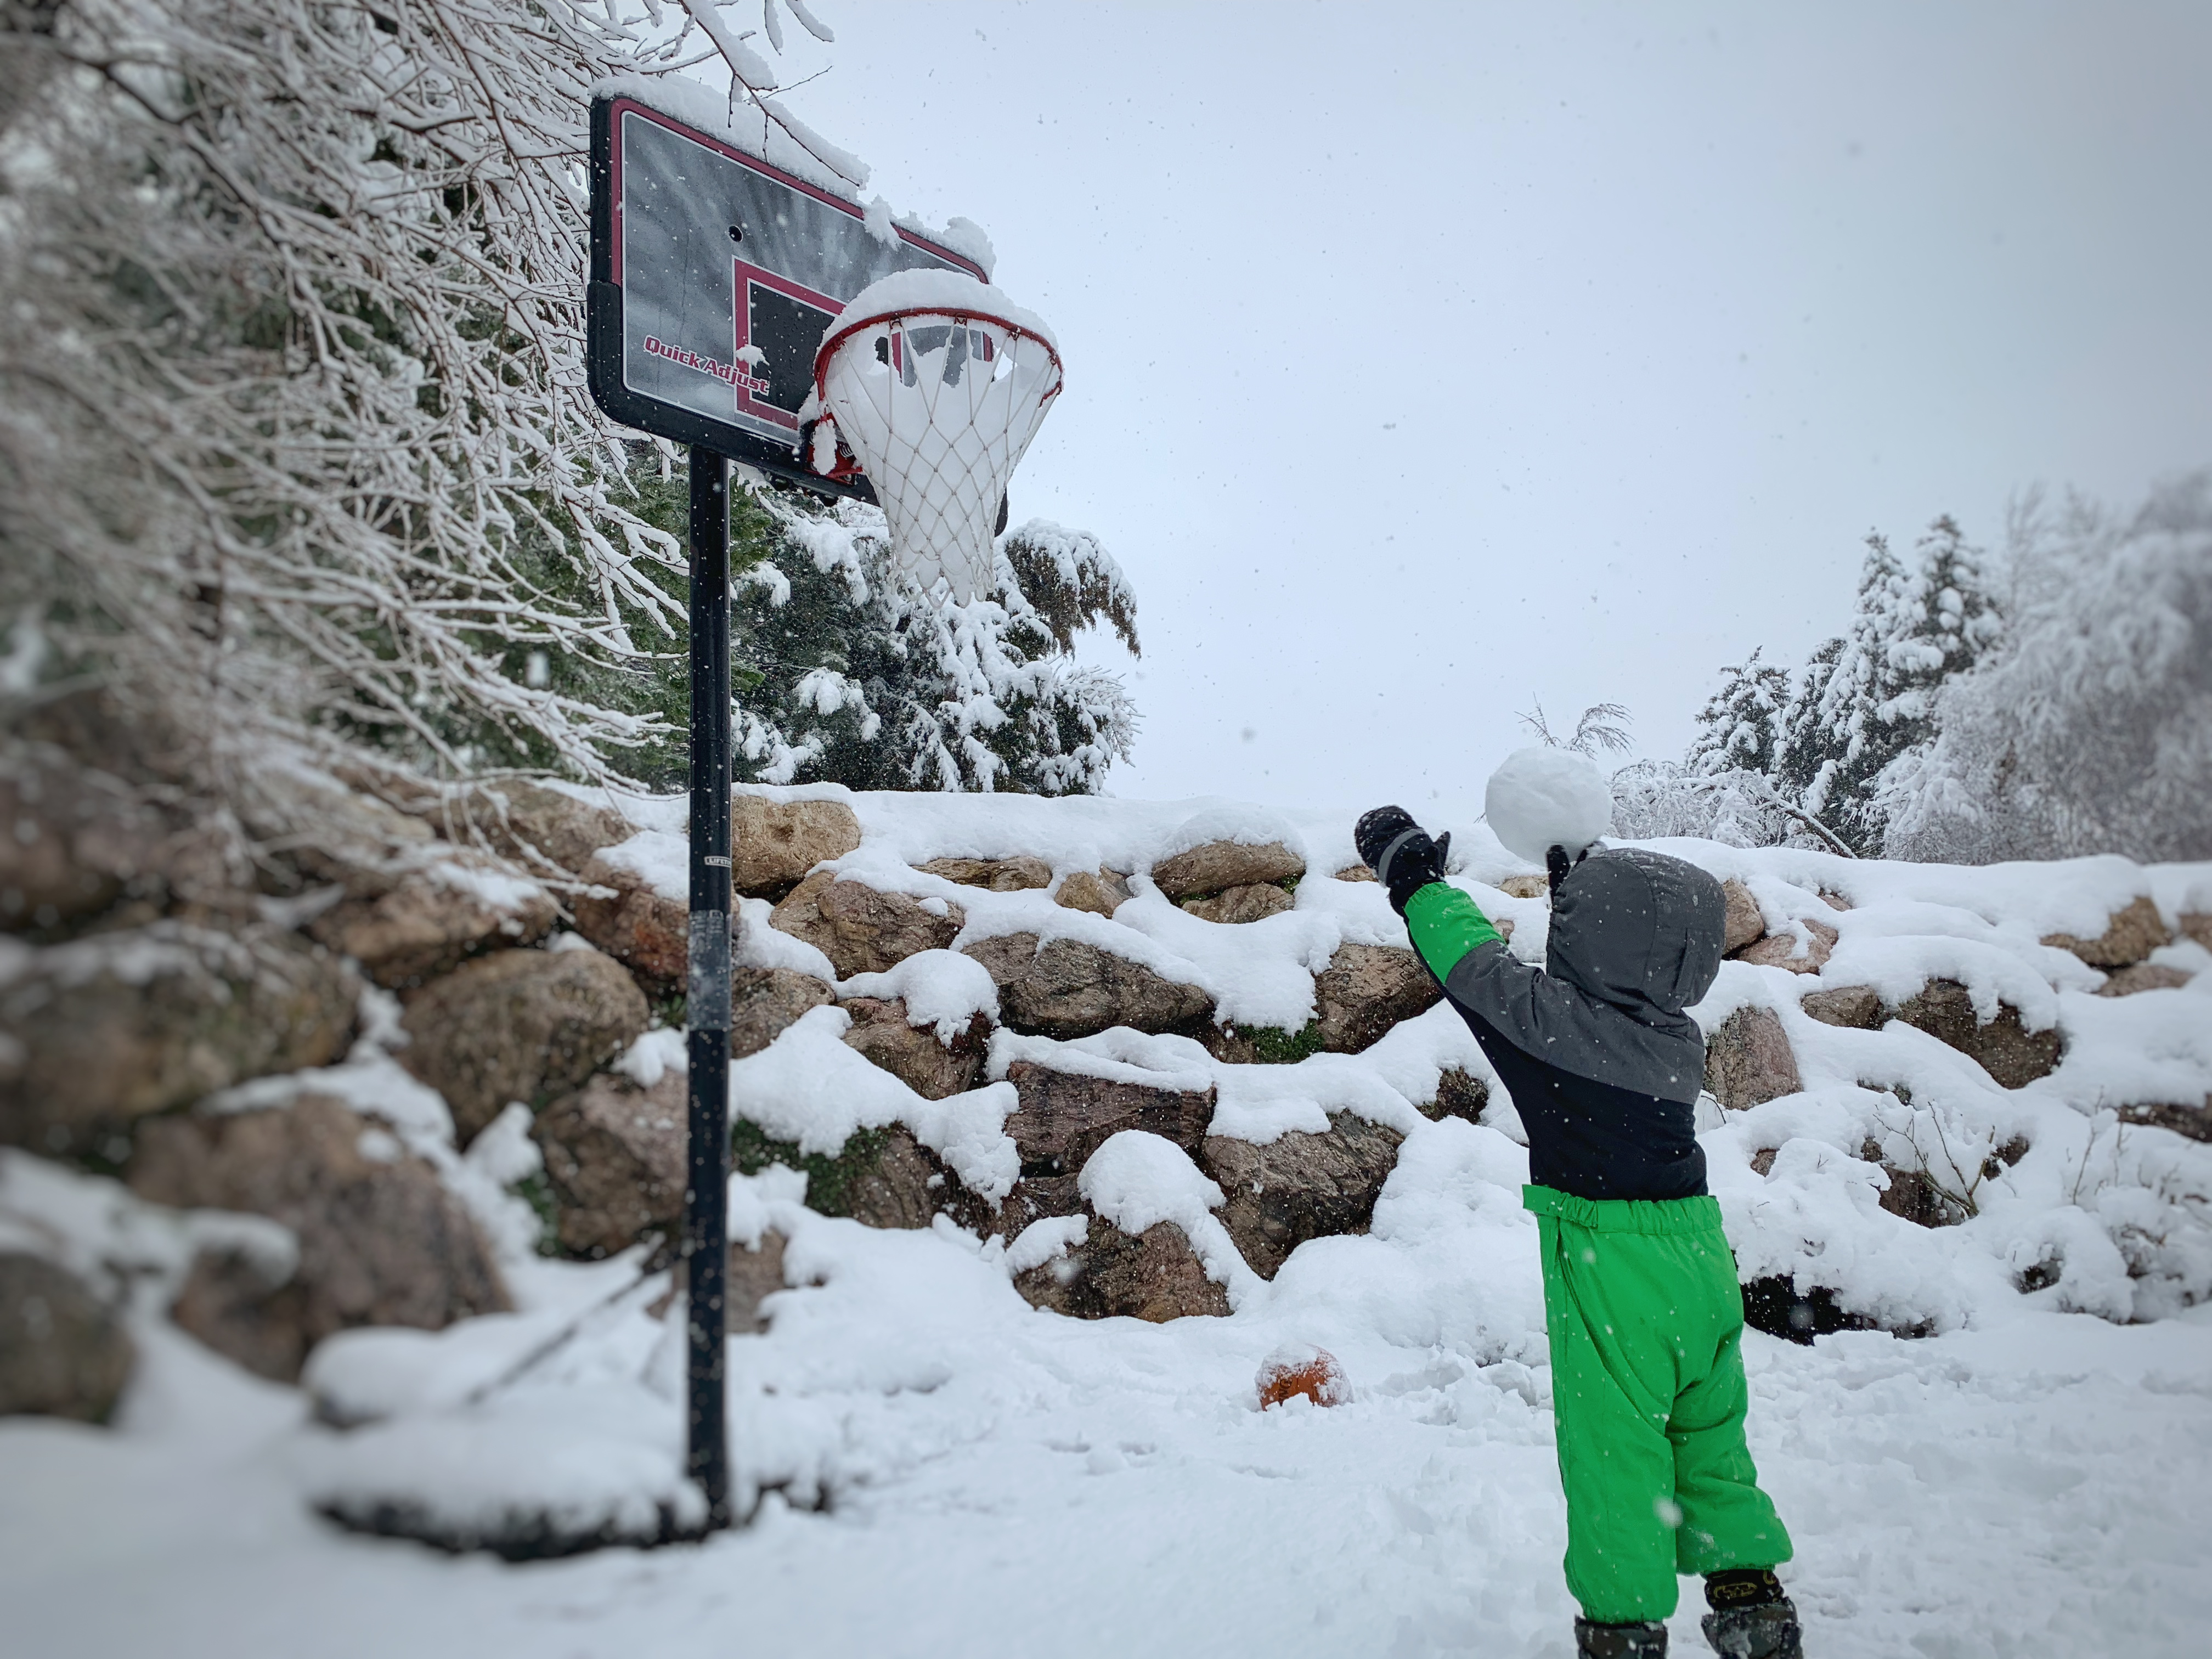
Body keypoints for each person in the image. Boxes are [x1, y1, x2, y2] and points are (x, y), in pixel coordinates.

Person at [1355, 805, 1802, 1659]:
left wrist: (1410, 870)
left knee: (1614, 1451)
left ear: (1592, 945)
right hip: (1697, 1260)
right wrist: (1577, 883)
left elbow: (1470, 962)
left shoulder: (1550, 1029)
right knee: (1709, 1434)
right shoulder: (1674, 1035)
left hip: (1615, 1268)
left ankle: (1623, 1625)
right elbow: (1622, 961)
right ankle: (1751, 1596)